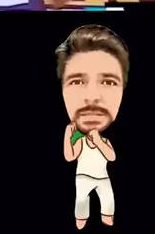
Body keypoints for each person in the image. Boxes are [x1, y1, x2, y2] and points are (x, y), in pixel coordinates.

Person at [56, 25, 129, 229]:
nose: (92, 97)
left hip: (102, 177)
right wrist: (68, 136)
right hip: (83, 178)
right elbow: (70, 156)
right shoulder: (78, 140)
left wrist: (98, 140)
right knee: (81, 201)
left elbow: (111, 156)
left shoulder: (104, 141)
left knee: (107, 199)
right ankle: (81, 220)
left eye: (108, 82)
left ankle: (107, 217)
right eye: (77, 81)